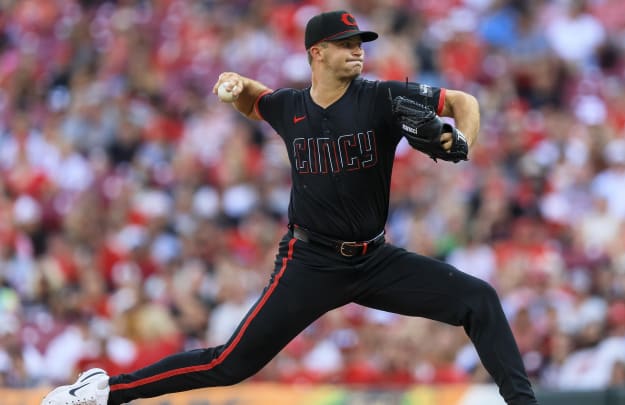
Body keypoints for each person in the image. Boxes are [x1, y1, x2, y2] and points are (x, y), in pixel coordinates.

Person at [41, 10, 539, 405]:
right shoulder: (292, 106)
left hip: (375, 259)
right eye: (346, 45)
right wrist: (236, 87)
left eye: (360, 44)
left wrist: (462, 142)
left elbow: (464, 102)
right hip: (310, 261)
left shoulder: (383, 97)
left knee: (480, 300)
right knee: (228, 364)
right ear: (316, 53)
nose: (357, 52)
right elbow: (258, 99)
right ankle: (105, 392)